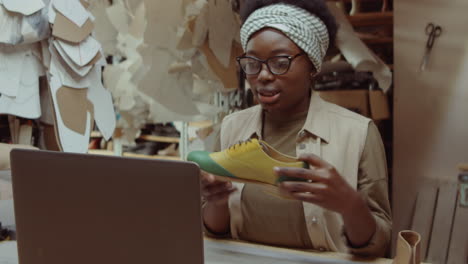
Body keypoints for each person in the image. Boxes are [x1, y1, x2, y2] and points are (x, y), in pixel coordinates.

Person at [201, 0, 392, 257]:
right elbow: (215, 232)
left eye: (280, 62)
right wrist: (217, 201)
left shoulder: (357, 133)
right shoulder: (231, 128)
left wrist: (350, 205)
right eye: (253, 63)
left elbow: (378, 244)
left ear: (312, 66)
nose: (263, 75)